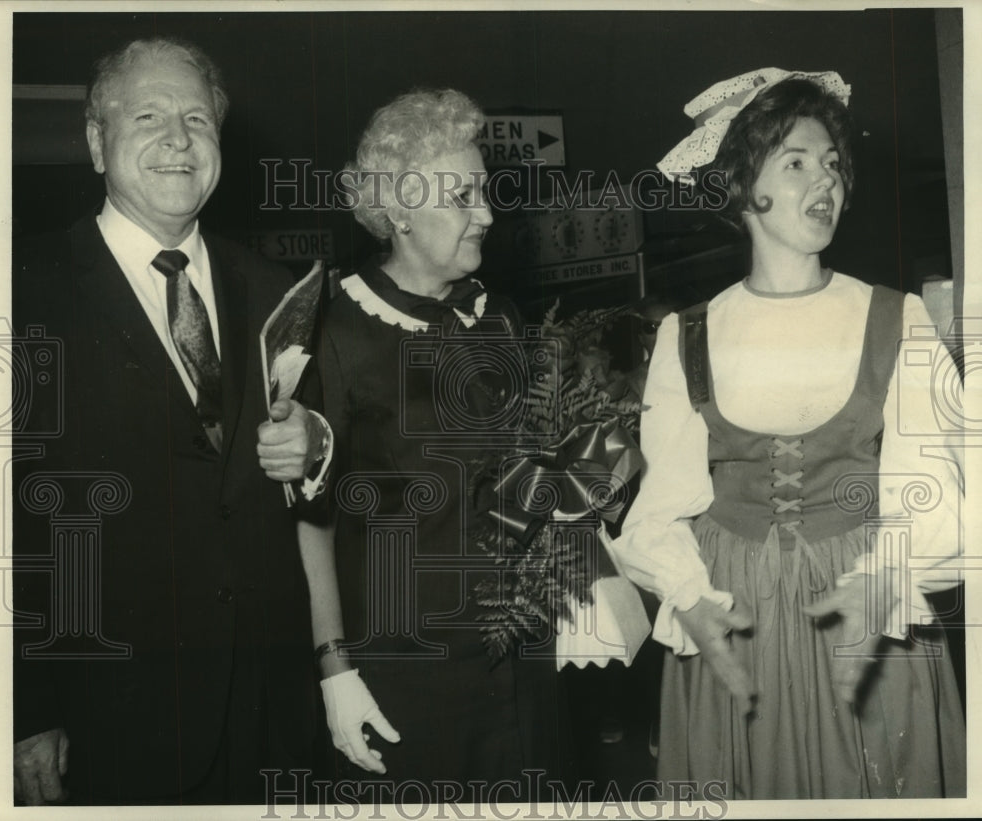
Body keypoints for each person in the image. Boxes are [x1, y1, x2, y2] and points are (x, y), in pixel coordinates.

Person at [612, 69, 966, 799]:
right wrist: (687, 595)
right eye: (798, 161)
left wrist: (885, 583)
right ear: (745, 189)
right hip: (736, 617)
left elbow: (943, 495)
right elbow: (662, 505)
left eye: (834, 163)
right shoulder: (689, 334)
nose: (825, 181)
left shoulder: (899, 320)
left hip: (868, 606)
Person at [12, 36, 330, 805]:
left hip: (267, 708)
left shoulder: (273, 285)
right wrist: (27, 707)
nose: (179, 139)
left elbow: (302, 470)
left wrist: (316, 444)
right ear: (96, 143)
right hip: (114, 715)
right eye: (148, 115)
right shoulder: (21, 290)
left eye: (197, 118)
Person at [296, 88, 567, 799]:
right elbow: (307, 518)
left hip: (517, 660)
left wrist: (583, 567)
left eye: (483, 192)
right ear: (400, 211)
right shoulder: (335, 327)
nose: (486, 213)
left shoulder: (499, 316)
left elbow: (531, 475)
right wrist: (334, 669)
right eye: (463, 196)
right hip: (399, 675)